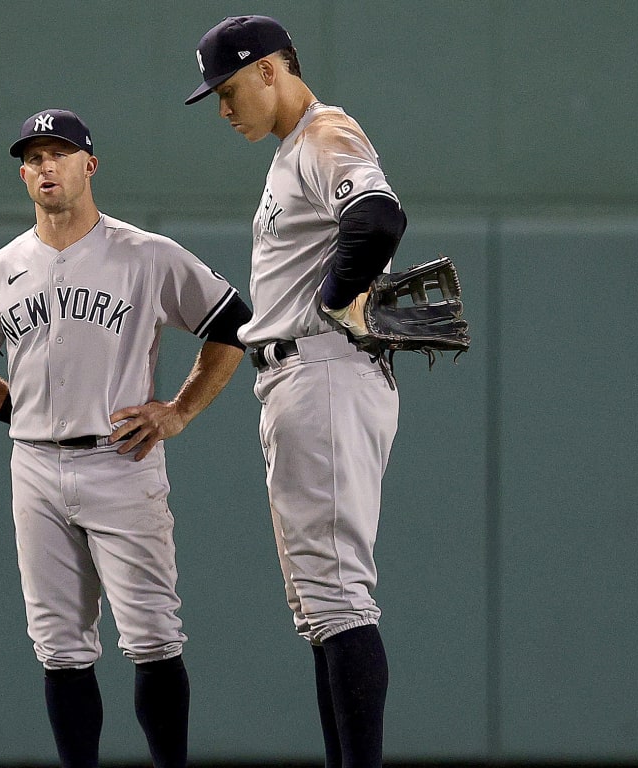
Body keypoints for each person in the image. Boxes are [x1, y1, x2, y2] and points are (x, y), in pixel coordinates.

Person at [0, 109, 252, 768]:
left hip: (121, 459)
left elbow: (232, 326)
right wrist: (20, 418)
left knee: (154, 638)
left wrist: (180, 410)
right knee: (59, 646)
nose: (46, 166)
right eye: (34, 157)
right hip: (37, 470)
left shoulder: (145, 255)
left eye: (60, 153)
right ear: (24, 174)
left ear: (89, 165)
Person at [183, 15, 409, 768]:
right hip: (297, 378)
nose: (222, 107)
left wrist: (340, 296)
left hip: (324, 372)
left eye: (229, 88)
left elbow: (377, 218)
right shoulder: (290, 152)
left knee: (340, 596)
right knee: (319, 608)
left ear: (273, 69)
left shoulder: (324, 132)